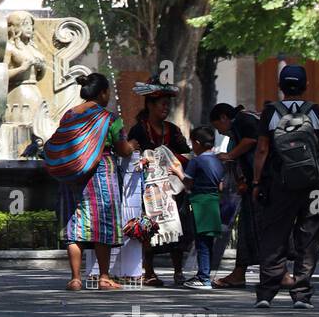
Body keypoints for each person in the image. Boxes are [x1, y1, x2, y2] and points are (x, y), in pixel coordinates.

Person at [251, 64, 319, 310]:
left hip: (279, 185)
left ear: (280, 87)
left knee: (274, 237)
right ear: (306, 86)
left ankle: (266, 294)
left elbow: (262, 150)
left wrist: (256, 182)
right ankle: (302, 294)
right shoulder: (316, 112)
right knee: (309, 237)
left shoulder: (271, 113)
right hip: (313, 187)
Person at [52, 72, 133, 292]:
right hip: (100, 172)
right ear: (104, 93)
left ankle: (75, 278)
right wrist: (132, 145)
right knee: (102, 223)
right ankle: (104, 278)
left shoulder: (69, 115)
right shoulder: (109, 119)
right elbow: (124, 150)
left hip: (73, 174)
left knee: (74, 223)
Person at [128, 83, 191, 286]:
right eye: (162, 104)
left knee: (177, 226)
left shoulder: (172, 130)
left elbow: (187, 153)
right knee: (149, 228)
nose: (166, 108)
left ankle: (178, 271)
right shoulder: (139, 129)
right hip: (149, 189)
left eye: (167, 105)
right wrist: (144, 160)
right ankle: (149, 271)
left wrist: (169, 159)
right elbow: (131, 155)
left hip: (170, 189)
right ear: (150, 105)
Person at [209, 103, 260, 289]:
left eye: (218, 127)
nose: (220, 133)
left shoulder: (242, 120)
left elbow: (250, 141)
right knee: (250, 228)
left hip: (260, 184)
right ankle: (240, 273)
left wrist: (229, 155)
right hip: (254, 183)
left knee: (252, 228)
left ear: (224, 117)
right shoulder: (246, 120)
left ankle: (241, 274)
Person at [184, 126, 224, 289]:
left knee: (201, 242)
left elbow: (187, 182)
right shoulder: (217, 160)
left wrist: (176, 171)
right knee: (208, 241)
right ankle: (204, 273)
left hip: (199, 202)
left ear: (198, 143)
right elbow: (221, 186)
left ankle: (203, 278)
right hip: (214, 202)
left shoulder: (196, 160)